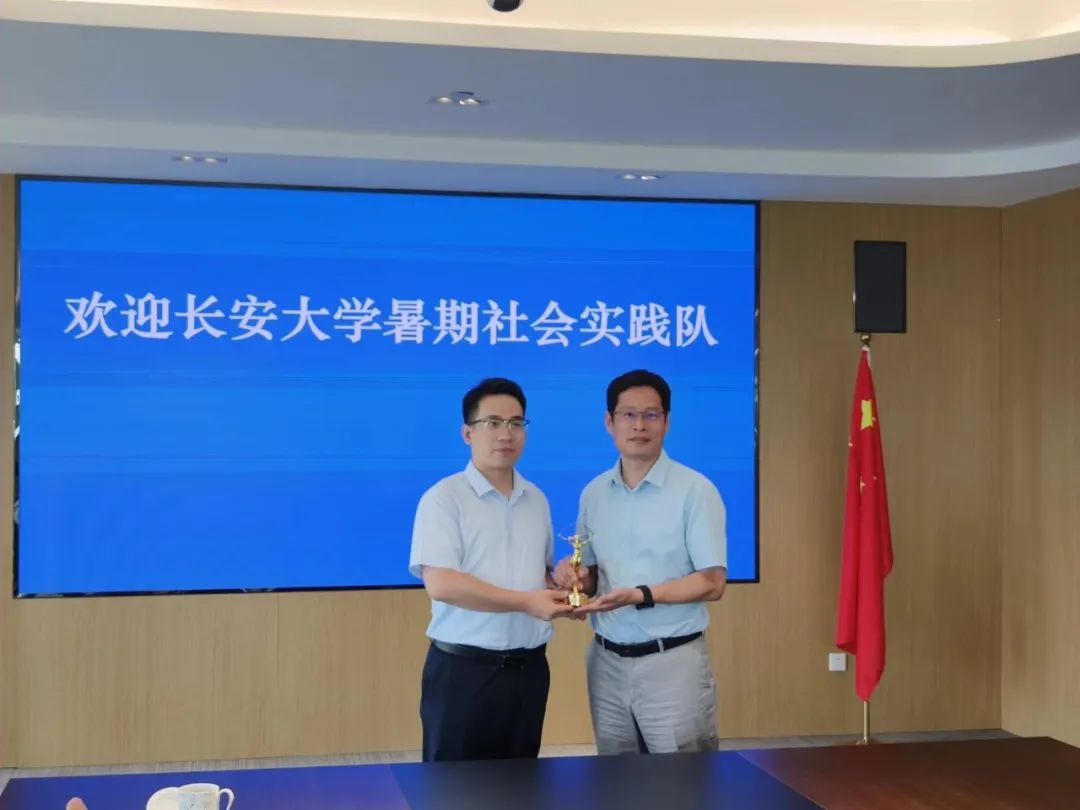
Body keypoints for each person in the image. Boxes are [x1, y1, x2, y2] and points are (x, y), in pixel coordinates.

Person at [555, 369, 727, 754]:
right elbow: (593, 575)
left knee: (683, 780)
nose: (639, 425)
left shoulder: (695, 491)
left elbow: (712, 582)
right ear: (609, 422)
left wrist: (641, 595)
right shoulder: (595, 493)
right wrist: (573, 577)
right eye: (628, 414)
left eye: (651, 414)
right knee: (616, 779)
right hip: (606, 663)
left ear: (666, 421)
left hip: (672, 663)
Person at [409, 377, 573, 762]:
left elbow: (540, 575)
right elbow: (442, 584)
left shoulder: (536, 499)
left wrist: (562, 581)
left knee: (521, 785)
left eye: (516, 423)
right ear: (468, 433)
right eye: (493, 423)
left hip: (529, 670)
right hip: (463, 672)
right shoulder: (443, 499)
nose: (506, 434)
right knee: (453, 787)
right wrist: (526, 602)